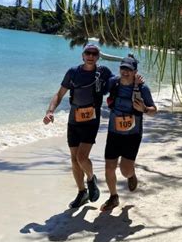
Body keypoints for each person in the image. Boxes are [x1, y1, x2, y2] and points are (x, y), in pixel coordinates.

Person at [43, 43, 114, 208]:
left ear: (98, 56)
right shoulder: (73, 72)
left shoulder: (103, 72)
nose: (90, 56)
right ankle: (82, 192)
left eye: (94, 53)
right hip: (74, 119)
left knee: (82, 157)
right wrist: (50, 111)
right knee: (74, 160)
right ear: (82, 55)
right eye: (88, 53)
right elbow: (59, 94)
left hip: (91, 120)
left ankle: (90, 179)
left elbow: (119, 83)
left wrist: (135, 78)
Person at [100, 55, 157, 211]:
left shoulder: (142, 88)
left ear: (135, 71)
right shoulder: (114, 82)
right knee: (109, 167)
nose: (125, 72)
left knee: (125, 170)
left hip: (132, 135)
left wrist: (144, 109)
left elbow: (154, 111)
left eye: (129, 69)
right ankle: (113, 197)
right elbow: (99, 85)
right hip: (114, 132)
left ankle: (131, 175)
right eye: (123, 68)